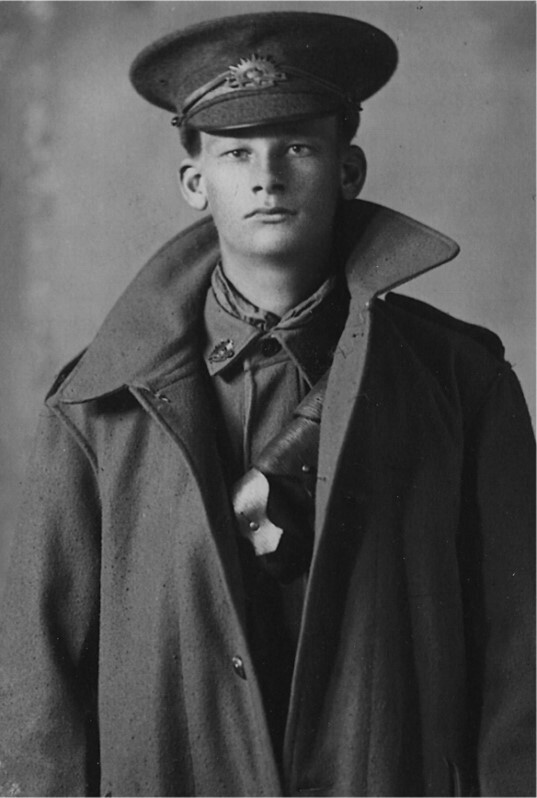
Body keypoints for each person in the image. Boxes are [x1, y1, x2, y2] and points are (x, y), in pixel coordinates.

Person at [0, 10, 534, 797]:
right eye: (236, 152)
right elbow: (39, 683)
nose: (267, 176)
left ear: (347, 170)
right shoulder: (97, 408)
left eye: (298, 148)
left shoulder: (459, 384)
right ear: (194, 183)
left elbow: (520, 649)